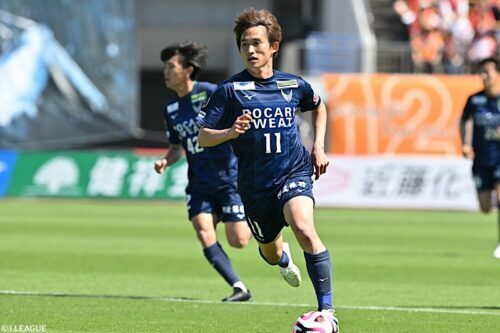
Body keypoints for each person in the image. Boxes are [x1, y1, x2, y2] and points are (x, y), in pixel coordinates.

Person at [196, 8, 339, 331]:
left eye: (257, 43)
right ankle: (283, 257)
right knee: (271, 252)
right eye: (245, 44)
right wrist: (230, 132)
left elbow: (319, 107)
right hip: (255, 187)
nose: (250, 50)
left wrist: (318, 147)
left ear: (274, 46)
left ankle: (326, 312)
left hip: (293, 172)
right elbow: (204, 137)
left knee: (303, 226)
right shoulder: (230, 91)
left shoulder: (292, 84)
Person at [154, 42, 252, 301]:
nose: (166, 71)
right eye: (165, 66)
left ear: (188, 70)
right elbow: (176, 147)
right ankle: (238, 287)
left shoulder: (210, 93)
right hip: (199, 182)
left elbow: (239, 119)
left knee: (239, 240)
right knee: (202, 230)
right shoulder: (170, 109)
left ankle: (268, 226)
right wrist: (166, 160)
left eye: (171, 66)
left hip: (228, 178)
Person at [459, 57, 500, 259]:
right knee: (485, 207)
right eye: (481, 73)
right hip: (482, 159)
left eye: (488, 73)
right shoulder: (474, 100)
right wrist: (465, 143)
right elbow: (465, 120)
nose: (483, 77)